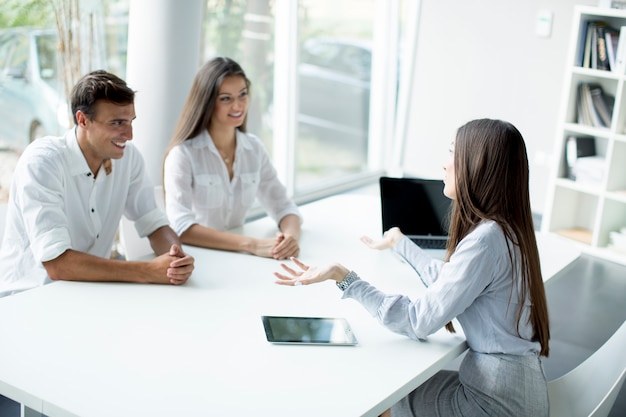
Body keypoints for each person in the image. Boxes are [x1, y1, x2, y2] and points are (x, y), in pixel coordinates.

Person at [274, 118, 551, 417]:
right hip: (518, 390)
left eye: (452, 153)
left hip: (495, 404)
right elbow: (451, 281)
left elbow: (417, 320)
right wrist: (400, 242)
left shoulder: (484, 241)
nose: (445, 165)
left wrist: (345, 277)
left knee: (377, 399)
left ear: (478, 166)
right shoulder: (506, 229)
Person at [0, 70, 195, 298]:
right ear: (83, 120)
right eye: (117, 123)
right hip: (29, 298)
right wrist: (148, 271)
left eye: (131, 121)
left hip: (90, 293)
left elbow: (154, 222)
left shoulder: (128, 158)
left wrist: (175, 258)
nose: (129, 134)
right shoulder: (43, 162)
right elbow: (57, 264)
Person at [163, 57, 302, 260]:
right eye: (226, 98)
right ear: (207, 102)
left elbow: (284, 207)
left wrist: (290, 240)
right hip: (199, 259)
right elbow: (181, 226)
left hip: (240, 259)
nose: (238, 106)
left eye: (242, 95)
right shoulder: (183, 154)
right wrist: (251, 245)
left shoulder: (253, 148)